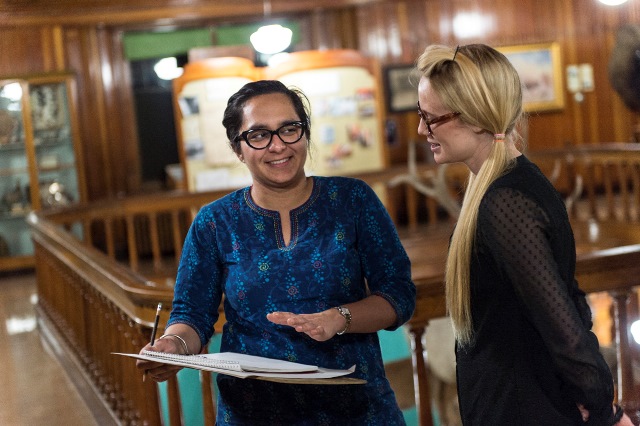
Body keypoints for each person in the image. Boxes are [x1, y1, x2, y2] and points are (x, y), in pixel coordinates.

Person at [136, 79, 416, 425]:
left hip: (357, 408)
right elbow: (192, 314)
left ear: (305, 133)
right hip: (253, 413)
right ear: (238, 148)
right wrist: (173, 347)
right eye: (258, 135)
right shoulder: (214, 222)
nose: (278, 145)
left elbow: (399, 295)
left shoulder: (353, 200)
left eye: (289, 129)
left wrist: (339, 318)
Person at [414, 44, 633, 426]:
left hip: (522, 408)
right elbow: (570, 300)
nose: (421, 129)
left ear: (476, 118)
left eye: (431, 118)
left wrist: (605, 411)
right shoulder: (504, 186)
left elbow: (564, 323)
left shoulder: (506, 201)